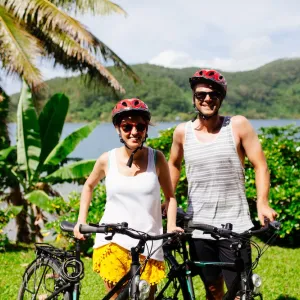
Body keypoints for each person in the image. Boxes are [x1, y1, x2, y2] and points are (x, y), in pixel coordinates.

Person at [168, 69, 277, 299]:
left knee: (239, 291)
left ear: (221, 97)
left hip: (235, 225)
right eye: (201, 95)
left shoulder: (237, 126)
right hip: (198, 226)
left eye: (214, 94)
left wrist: (263, 203)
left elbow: (261, 166)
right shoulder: (182, 133)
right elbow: (174, 165)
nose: (207, 98)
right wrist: (167, 200)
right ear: (194, 98)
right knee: (213, 289)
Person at [74, 98, 182, 299]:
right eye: (127, 126)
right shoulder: (108, 159)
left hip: (149, 243)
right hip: (113, 240)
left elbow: (170, 197)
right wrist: (81, 220)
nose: (134, 131)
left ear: (146, 129)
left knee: (146, 297)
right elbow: (88, 186)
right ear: (118, 129)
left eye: (140, 126)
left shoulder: (156, 158)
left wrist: (171, 226)